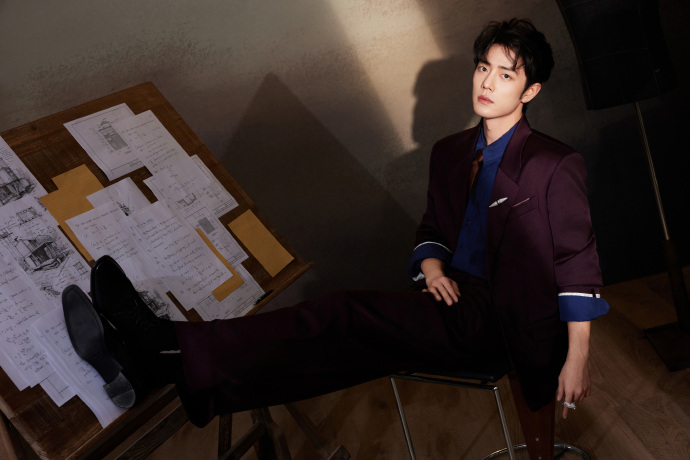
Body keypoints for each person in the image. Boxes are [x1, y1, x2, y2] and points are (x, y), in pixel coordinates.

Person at [63, 18, 609, 429]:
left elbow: (576, 263)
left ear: (530, 91)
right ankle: (171, 372)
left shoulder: (552, 163)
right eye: (483, 67)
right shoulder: (450, 152)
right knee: (339, 353)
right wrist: (433, 266)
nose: (488, 82)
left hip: (502, 324)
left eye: (506, 74)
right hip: (446, 300)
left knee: (344, 313)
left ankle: (163, 346)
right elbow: (432, 227)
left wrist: (578, 357)